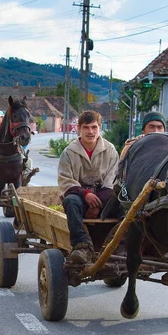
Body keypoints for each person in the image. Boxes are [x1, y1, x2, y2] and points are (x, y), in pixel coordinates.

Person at [58, 110, 119, 265]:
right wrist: (85, 194)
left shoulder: (110, 150)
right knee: (70, 202)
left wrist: (97, 204)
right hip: (79, 196)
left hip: (105, 198)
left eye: (94, 127)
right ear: (79, 128)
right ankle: (82, 246)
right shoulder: (69, 152)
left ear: (100, 128)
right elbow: (66, 181)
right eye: (86, 127)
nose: (90, 132)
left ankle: (119, 245)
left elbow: (113, 180)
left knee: (126, 205)